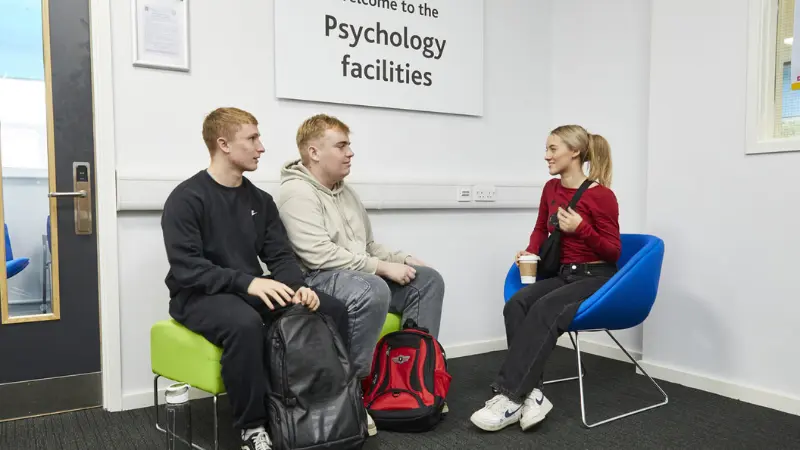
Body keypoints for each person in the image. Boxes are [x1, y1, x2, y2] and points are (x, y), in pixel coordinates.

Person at [161, 107, 350, 450]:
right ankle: (253, 428)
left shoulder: (260, 201)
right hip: (197, 294)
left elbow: (279, 256)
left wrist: (301, 289)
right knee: (245, 325)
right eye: (252, 138)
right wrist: (248, 283)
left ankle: (330, 409)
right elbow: (188, 267)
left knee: (330, 308)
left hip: (247, 287)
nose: (261, 147)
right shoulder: (186, 199)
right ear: (224, 145)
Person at [276, 114, 446, 432]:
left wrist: (404, 259)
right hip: (314, 280)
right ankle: (351, 393)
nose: (349, 152)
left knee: (428, 281)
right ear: (313, 152)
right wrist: (381, 268)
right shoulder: (296, 193)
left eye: (349, 145)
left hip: (354, 273)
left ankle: (411, 379)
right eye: (341, 146)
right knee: (372, 287)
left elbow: (367, 246)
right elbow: (317, 255)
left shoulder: (346, 192)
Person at [469, 124, 621, 432]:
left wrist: (582, 229)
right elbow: (541, 228)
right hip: (563, 274)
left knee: (544, 309)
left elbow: (614, 251)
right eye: (547, 149)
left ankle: (510, 395)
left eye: (553, 149)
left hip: (596, 277)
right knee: (516, 305)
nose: (546, 156)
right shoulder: (550, 189)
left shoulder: (602, 196)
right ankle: (534, 394)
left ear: (574, 152)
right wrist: (530, 252)